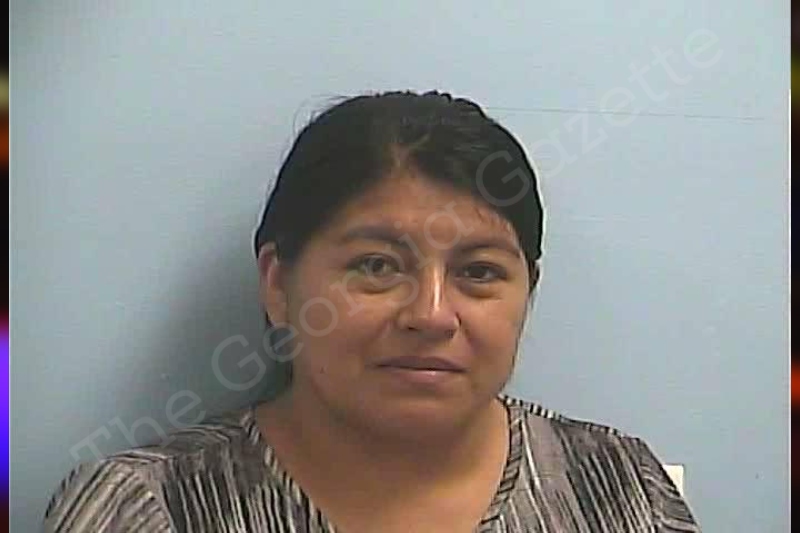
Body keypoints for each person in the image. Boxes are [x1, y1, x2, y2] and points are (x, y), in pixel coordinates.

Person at [42, 91, 701, 532]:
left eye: (478, 272)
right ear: (279, 284)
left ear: (527, 290)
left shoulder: (617, 487)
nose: (431, 315)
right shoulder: (144, 508)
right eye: (378, 266)